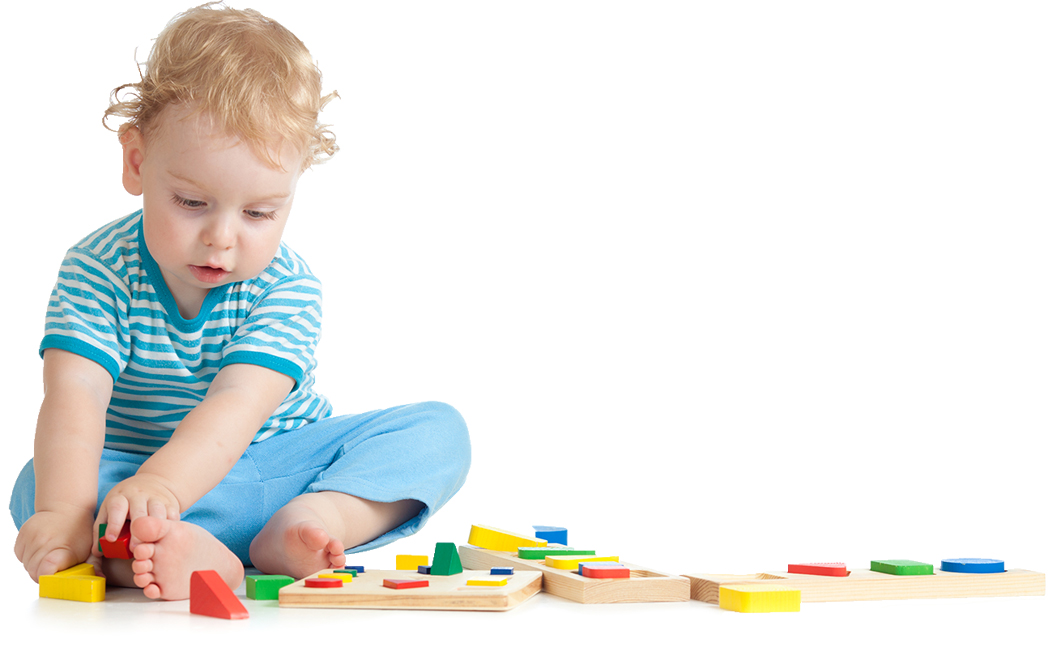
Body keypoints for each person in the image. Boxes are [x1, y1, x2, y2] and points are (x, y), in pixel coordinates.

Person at [10, 3, 470, 601]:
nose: (223, 238)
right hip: (134, 481)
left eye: (258, 213)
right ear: (137, 161)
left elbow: (237, 406)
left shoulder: (286, 285)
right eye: (192, 203)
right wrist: (64, 512)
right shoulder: (96, 270)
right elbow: (75, 396)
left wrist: (167, 488)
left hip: (277, 469)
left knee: (439, 430)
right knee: (39, 489)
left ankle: (318, 522)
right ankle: (160, 551)